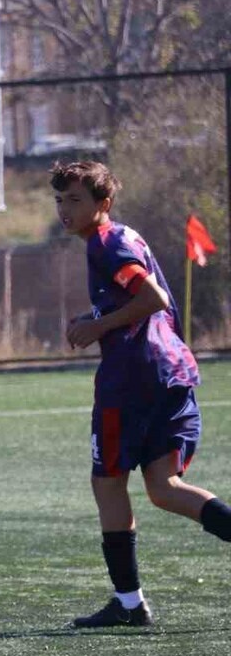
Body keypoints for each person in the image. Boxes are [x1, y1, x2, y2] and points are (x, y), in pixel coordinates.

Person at [55, 160, 231, 627]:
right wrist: (96, 318)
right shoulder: (122, 236)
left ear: (102, 204)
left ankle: (129, 605)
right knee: (163, 487)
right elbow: (141, 301)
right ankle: (129, 603)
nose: (64, 209)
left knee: (108, 481)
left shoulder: (106, 244)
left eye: (76, 200)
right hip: (172, 370)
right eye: (60, 199)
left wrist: (96, 328)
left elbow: (152, 298)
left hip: (133, 378)